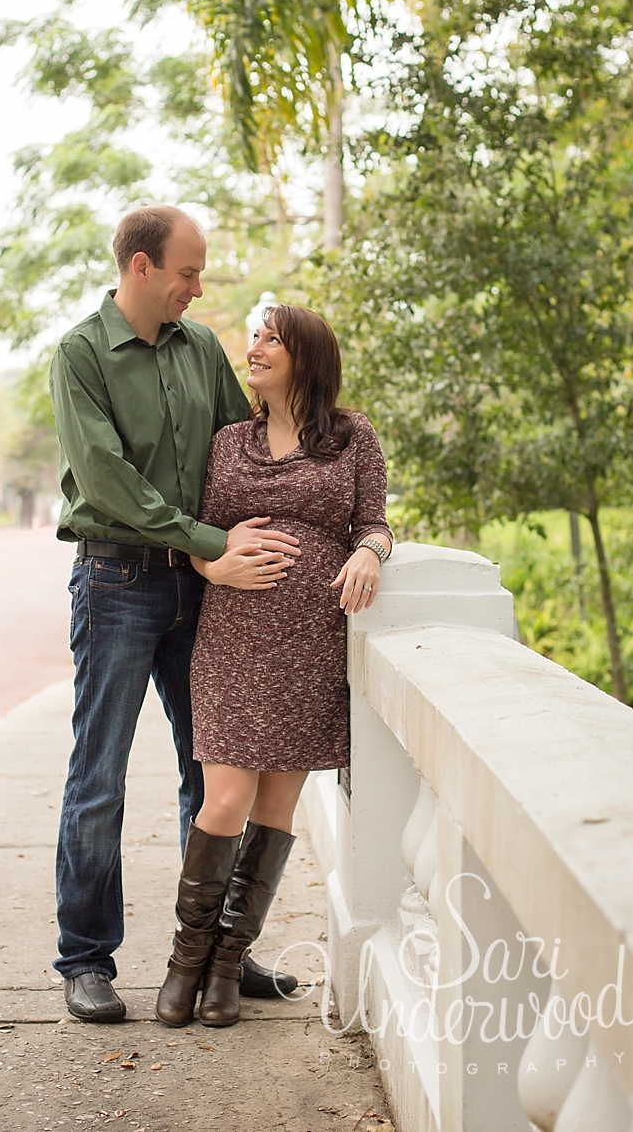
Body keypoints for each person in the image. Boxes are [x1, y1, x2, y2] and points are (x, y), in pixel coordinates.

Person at [49, 205, 305, 1024]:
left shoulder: (200, 350)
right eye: (188, 273)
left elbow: (245, 445)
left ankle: (221, 951)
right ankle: (86, 959)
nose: (198, 288)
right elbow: (107, 478)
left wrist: (352, 521)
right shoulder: (81, 356)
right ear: (140, 268)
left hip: (208, 589)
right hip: (119, 581)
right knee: (100, 777)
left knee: (216, 771)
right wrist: (202, 539)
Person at [155, 304, 392, 1029]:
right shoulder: (229, 441)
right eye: (253, 337)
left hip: (310, 645)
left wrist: (367, 552)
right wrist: (212, 565)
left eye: (268, 339)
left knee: (276, 808)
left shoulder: (353, 437)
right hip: (231, 637)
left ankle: (228, 968)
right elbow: (194, 528)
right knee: (223, 798)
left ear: (305, 356)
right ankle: (183, 965)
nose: (251, 348)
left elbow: (374, 520)